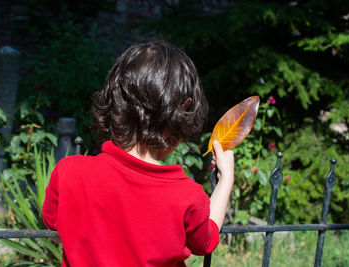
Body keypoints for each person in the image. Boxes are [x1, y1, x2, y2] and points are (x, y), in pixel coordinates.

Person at [42, 40, 234, 267]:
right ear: (183, 110)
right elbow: (206, 241)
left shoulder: (70, 172)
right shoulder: (185, 195)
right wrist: (225, 180)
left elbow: (52, 221)